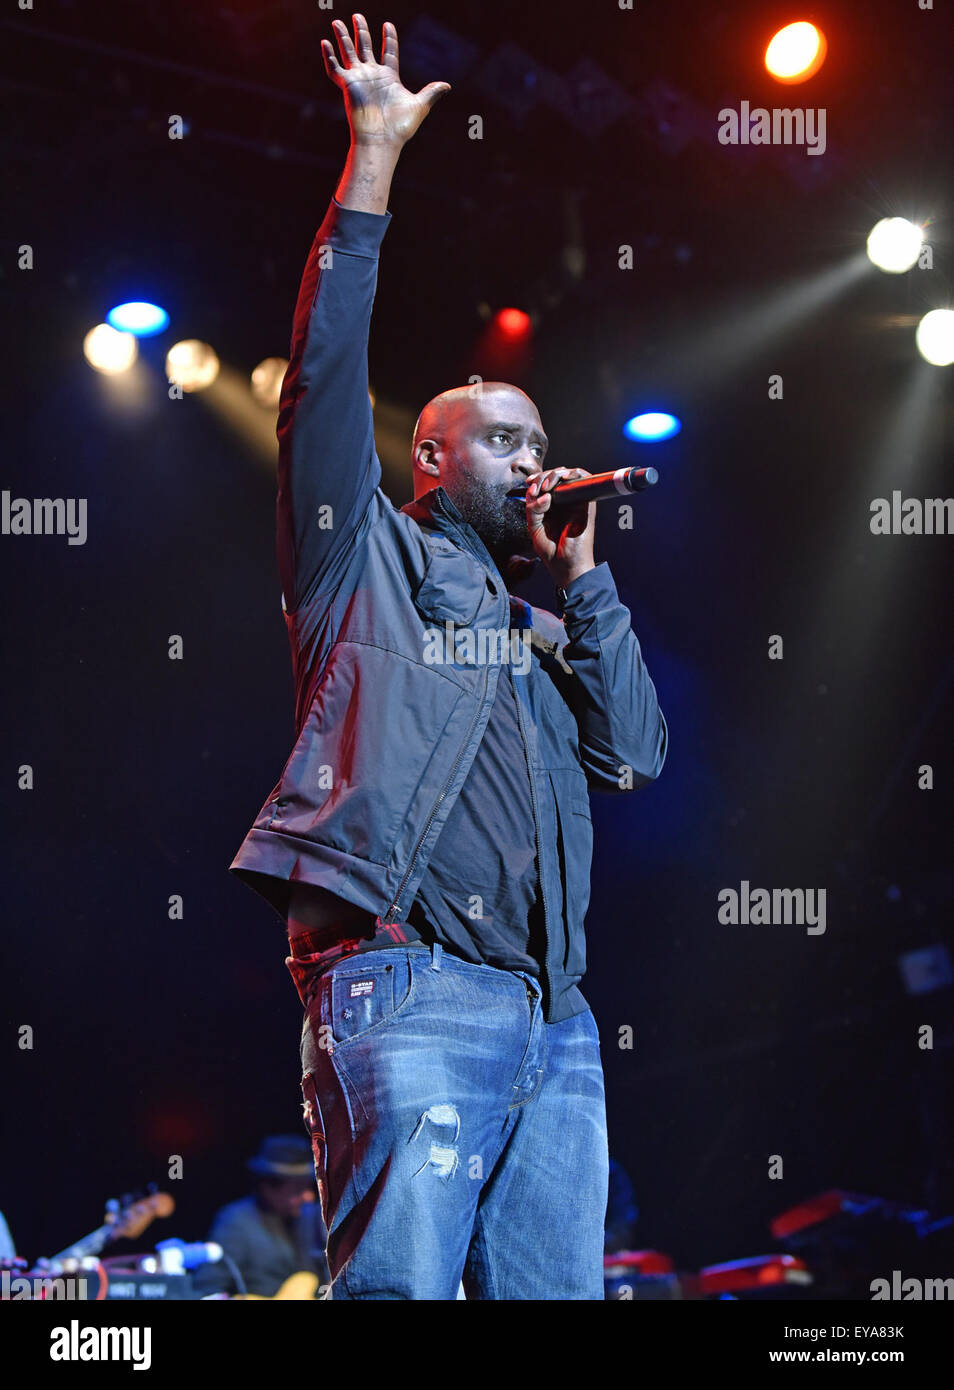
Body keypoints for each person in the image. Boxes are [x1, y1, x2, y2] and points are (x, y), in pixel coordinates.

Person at [229, 13, 667, 1300]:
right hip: (408, 982)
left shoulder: (538, 629)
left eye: (542, 439)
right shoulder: (359, 561)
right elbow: (319, 372)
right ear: (431, 460)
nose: (536, 460)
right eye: (506, 442)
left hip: (556, 1014)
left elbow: (634, 753)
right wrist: (372, 154)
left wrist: (584, 577)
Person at [190, 1136, 330, 1298]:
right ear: (268, 1187)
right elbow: (208, 1289)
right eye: (298, 1189)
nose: (309, 1196)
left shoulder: (314, 1217)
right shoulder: (236, 1221)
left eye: (308, 1187)